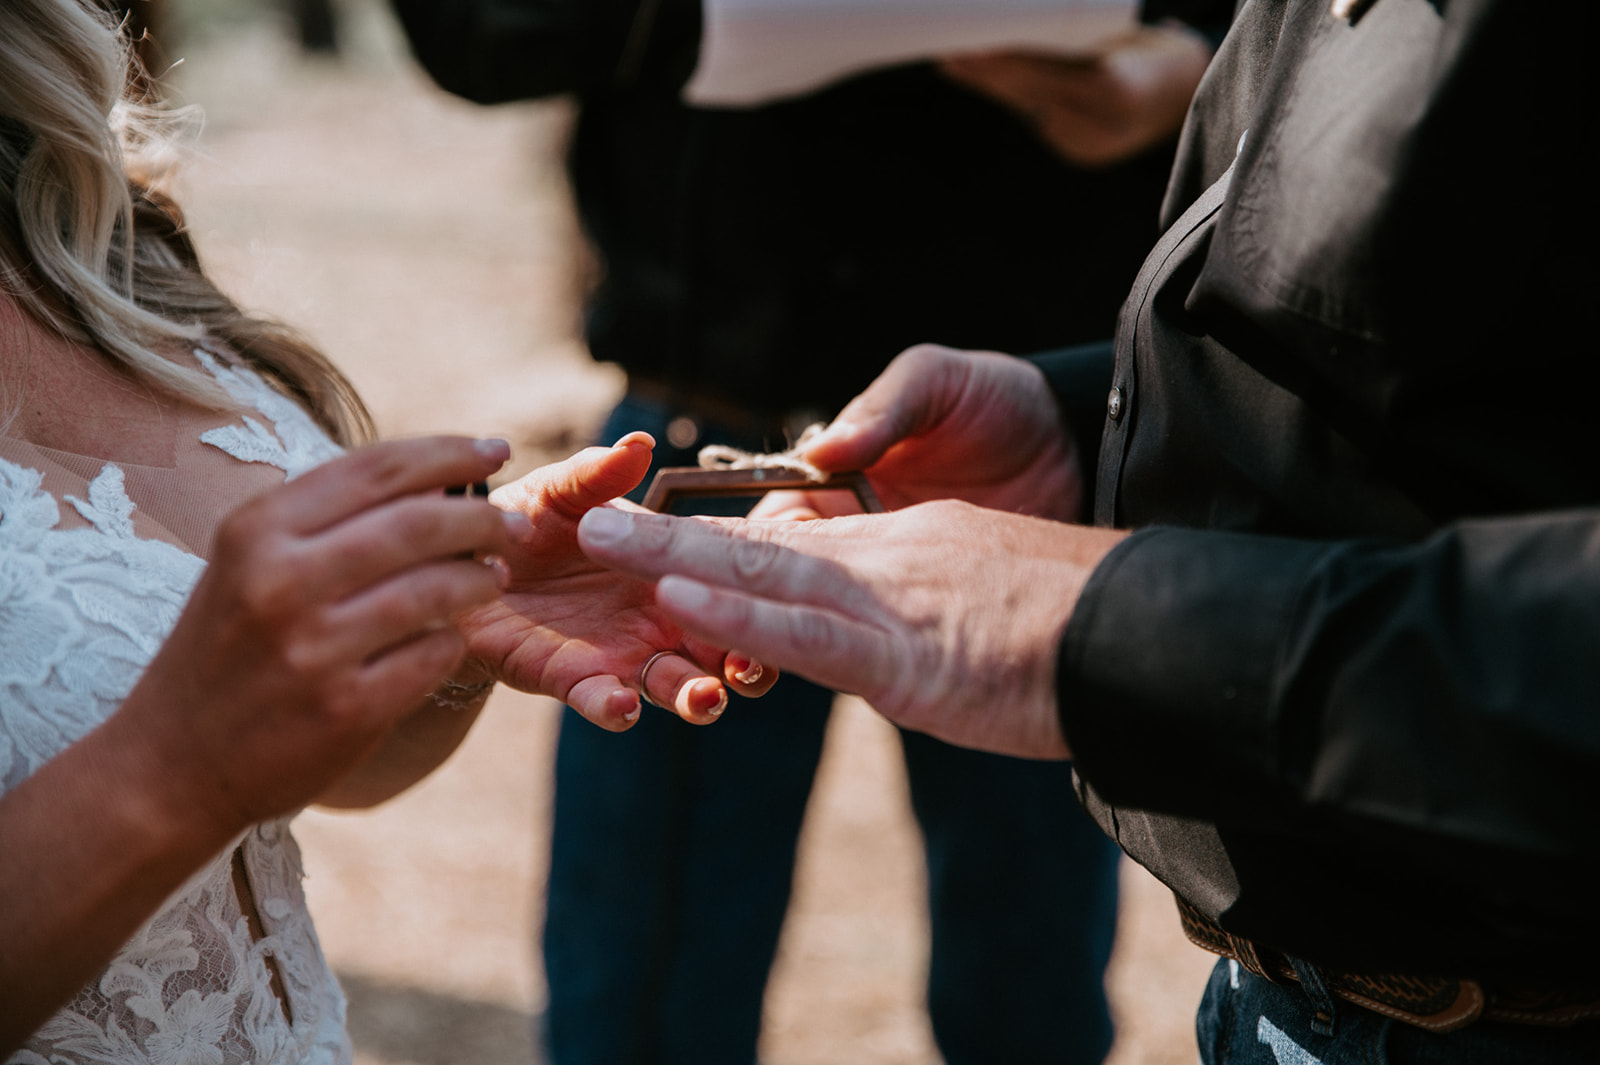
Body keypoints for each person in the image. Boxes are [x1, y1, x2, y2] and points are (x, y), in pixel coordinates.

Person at [568, 0, 1600, 1061]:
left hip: (1507, 999)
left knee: (1023, 991)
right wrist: (1082, 425)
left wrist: (1113, 626)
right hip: (1296, 985)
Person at [387, 2, 1230, 1061]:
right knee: (640, 1006)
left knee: (1031, 992)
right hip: (695, 447)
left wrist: (1191, 63)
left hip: (1021, 437)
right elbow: (477, 29)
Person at [0, 3, 767, 1058]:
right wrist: (172, 766)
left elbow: (333, 777)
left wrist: (447, 629)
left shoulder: (78, 222)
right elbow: (190, 756)